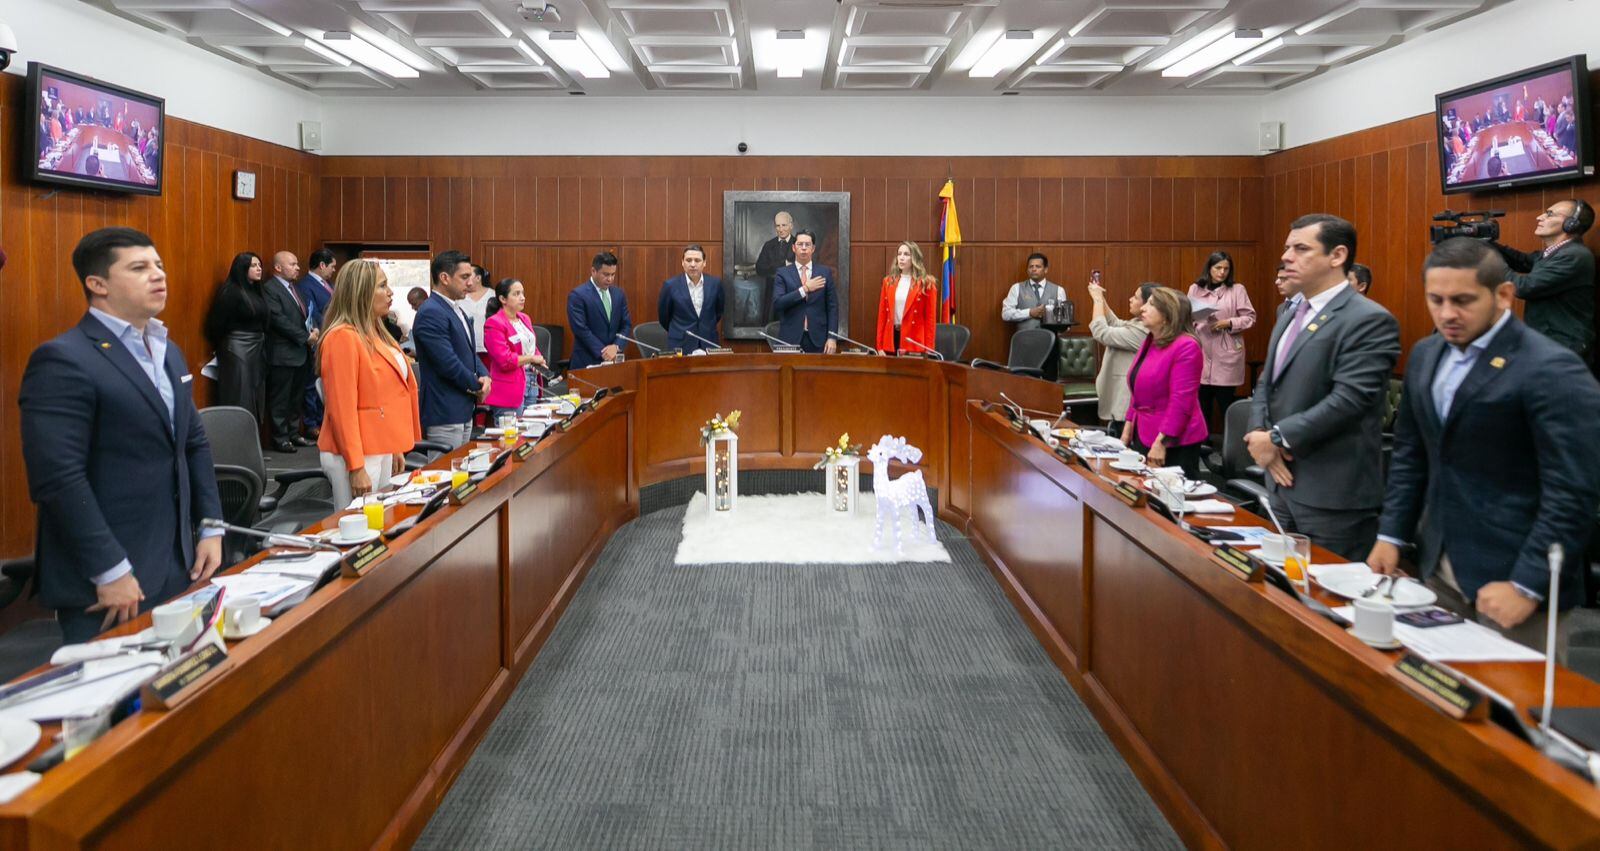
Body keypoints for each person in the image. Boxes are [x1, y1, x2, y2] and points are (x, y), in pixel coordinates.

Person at [1368, 238, 1600, 661]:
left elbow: (1575, 490)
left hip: (1515, 580)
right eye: (1435, 300)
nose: (1447, 314)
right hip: (1439, 568)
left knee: (1513, 717)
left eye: (1463, 300)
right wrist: (1392, 532)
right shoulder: (1426, 354)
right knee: (1439, 696)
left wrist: (1528, 584)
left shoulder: (1552, 367)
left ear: (1504, 296)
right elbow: (1411, 455)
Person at [19, 227, 224, 644]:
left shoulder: (168, 350)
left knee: (180, 694)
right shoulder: (64, 359)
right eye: (139, 267)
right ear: (97, 284)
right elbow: (58, 477)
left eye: (159, 265)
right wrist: (109, 567)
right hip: (110, 579)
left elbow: (192, 443)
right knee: (118, 707)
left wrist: (210, 526)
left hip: (178, 560)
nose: (158, 275)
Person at [1247, 214, 1401, 560]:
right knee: (1281, 596)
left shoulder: (1368, 319)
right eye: (1288, 247)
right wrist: (1259, 437)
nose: (1287, 256)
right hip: (1280, 482)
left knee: (1329, 607)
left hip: (1332, 496)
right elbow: (1265, 384)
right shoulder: (1289, 313)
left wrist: (1274, 438)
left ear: (1337, 256)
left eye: (1301, 248)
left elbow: (1350, 401)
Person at [317, 260, 421, 507]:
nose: (390, 292)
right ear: (361, 291)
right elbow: (342, 409)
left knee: (381, 522)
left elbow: (388, 394)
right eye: (382, 286)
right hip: (356, 451)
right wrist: (355, 465)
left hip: (380, 444)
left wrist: (394, 444)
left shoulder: (377, 332)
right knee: (357, 528)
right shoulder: (342, 337)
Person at [1491, 199, 1595, 359]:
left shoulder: (1574, 255)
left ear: (1571, 224)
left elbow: (1523, 287)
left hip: (1564, 347)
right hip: (1550, 343)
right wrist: (1487, 244)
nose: (1539, 217)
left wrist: (1488, 261)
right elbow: (1522, 260)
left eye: (1549, 214)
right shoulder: (1557, 253)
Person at [1121, 288, 1207, 478]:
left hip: (1175, 440)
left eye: (1151, 304)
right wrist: (1127, 430)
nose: (1142, 308)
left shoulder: (1187, 346)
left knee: (1171, 501)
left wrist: (1162, 442)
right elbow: (1137, 390)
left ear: (1169, 315)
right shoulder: (1152, 339)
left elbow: (1182, 402)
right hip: (1143, 431)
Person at [413, 249, 491, 450]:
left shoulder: (456, 308)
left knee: (461, 472)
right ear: (444, 278)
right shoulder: (431, 311)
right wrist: (476, 385)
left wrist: (485, 376)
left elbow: (469, 352)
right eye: (464, 277)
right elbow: (448, 363)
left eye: (471, 277)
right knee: (445, 475)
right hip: (444, 409)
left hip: (463, 406)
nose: (471, 283)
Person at [1187, 251, 1256, 432]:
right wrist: (1196, 318)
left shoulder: (1237, 289)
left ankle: (1228, 449)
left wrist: (1229, 322)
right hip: (1202, 349)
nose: (1222, 272)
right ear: (1209, 268)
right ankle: (1203, 446)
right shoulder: (1195, 289)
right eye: (1218, 268)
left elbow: (1249, 318)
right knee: (1202, 405)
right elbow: (1187, 317)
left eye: (1226, 268)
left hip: (1226, 353)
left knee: (1226, 405)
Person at [203, 252, 270, 429]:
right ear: (242, 267)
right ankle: (236, 444)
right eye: (254, 265)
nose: (259, 269)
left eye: (260, 265)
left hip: (256, 346)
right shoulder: (230, 292)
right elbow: (216, 325)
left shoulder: (256, 290)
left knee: (255, 394)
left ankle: (251, 445)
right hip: (236, 348)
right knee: (239, 394)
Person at [263, 251, 317, 452]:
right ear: (278, 268)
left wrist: (312, 329)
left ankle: (294, 433)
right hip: (282, 354)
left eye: (297, 264)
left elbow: (303, 314)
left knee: (296, 397)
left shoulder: (295, 288)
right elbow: (278, 320)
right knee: (281, 399)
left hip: (300, 352)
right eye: (293, 264)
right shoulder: (270, 289)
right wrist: (305, 337)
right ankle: (280, 438)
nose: (297, 268)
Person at [1088, 280, 1157, 430]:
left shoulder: (1144, 331)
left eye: (1136, 297)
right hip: (1121, 396)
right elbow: (1115, 323)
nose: (1130, 299)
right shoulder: (1138, 323)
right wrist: (1101, 299)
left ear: (1148, 304)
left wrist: (1098, 300)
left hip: (1126, 399)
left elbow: (1101, 332)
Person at [483, 278, 546, 419]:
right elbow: (504, 360)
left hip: (531, 382)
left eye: (523, 293)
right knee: (512, 436)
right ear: (503, 299)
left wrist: (539, 359)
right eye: (516, 294)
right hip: (509, 387)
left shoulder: (524, 318)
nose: (522, 298)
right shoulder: (494, 323)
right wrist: (530, 358)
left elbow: (530, 345)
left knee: (532, 430)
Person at [1000, 253, 1068, 380]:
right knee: (1023, 383)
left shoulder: (1059, 290)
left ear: (1046, 269)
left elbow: (1065, 321)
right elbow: (1005, 314)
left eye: (1038, 266)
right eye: (1031, 267)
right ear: (1027, 270)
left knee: (1049, 384)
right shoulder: (1016, 288)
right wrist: (1030, 312)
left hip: (1050, 345)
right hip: (1024, 345)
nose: (1034, 269)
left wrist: (1052, 318)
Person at [772, 229, 838, 353]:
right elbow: (778, 303)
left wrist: (832, 337)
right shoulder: (782, 273)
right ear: (793, 247)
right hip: (789, 339)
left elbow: (832, 307)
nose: (803, 248)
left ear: (813, 249)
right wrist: (805, 289)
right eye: (800, 244)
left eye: (807, 245)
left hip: (819, 339)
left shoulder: (824, 272)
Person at [297, 248, 337, 439]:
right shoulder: (306, 285)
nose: (333, 271)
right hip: (318, 337)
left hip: (332, 338)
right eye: (332, 266)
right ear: (322, 265)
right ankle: (312, 423)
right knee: (312, 384)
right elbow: (312, 313)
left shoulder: (328, 284)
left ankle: (324, 420)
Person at [568, 251, 633, 369]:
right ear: (593, 271)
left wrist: (616, 346)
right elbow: (581, 329)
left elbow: (626, 324)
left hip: (614, 361)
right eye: (606, 274)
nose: (610, 279)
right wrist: (604, 352)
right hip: (587, 361)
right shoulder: (578, 295)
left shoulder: (618, 294)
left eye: (613, 274)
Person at [658, 244, 725, 353]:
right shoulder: (670, 285)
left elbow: (718, 312)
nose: (693, 264)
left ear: (704, 263)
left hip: (708, 342)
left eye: (697, 260)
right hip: (681, 344)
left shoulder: (715, 284)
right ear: (682, 263)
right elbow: (664, 317)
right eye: (689, 260)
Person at [875, 241, 938, 354]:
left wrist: (929, 349)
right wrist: (879, 346)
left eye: (906, 254)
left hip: (913, 340)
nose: (902, 258)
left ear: (914, 258)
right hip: (891, 339)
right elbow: (882, 316)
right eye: (899, 254)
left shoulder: (926, 283)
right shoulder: (888, 282)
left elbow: (930, 320)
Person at [754, 211, 796, 287]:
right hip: (771, 290)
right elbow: (759, 269)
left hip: (793, 290)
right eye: (778, 226)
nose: (781, 229)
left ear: (791, 226)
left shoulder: (799, 244)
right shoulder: (768, 245)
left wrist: (771, 267)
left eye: (784, 225)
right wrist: (784, 264)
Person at [462, 264, 493, 365]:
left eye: (468, 276)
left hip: (489, 349)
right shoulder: (459, 297)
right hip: (466, 349)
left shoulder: (493, 295)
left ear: (478, 278)